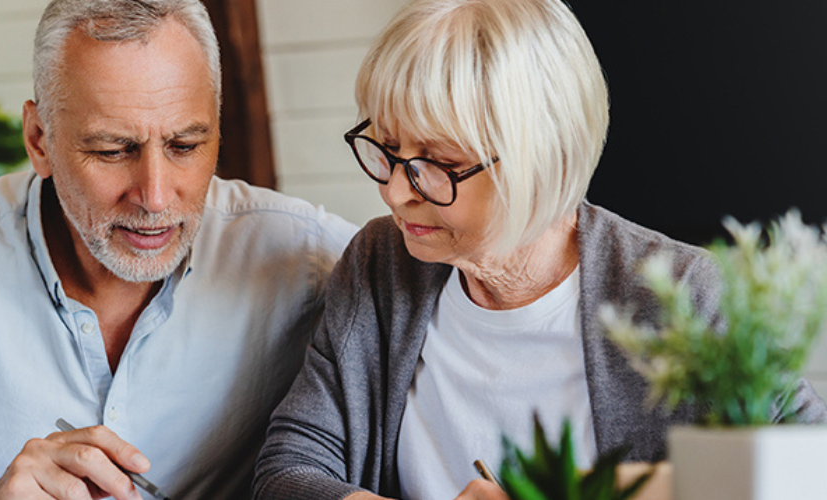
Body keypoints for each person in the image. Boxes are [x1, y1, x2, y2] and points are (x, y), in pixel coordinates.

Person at [0, 1, 358, 499]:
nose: (155, 197)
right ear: (39, 140)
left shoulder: (306, 255)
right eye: (111, 150)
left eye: (185, 144)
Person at [252, 0, 827, 499]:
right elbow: (287, 471)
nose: (396, 192)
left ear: (539, 162)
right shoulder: (380, 263)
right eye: (387, 149)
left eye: (438, 165)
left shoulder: (684, 295)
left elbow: (809, 469)